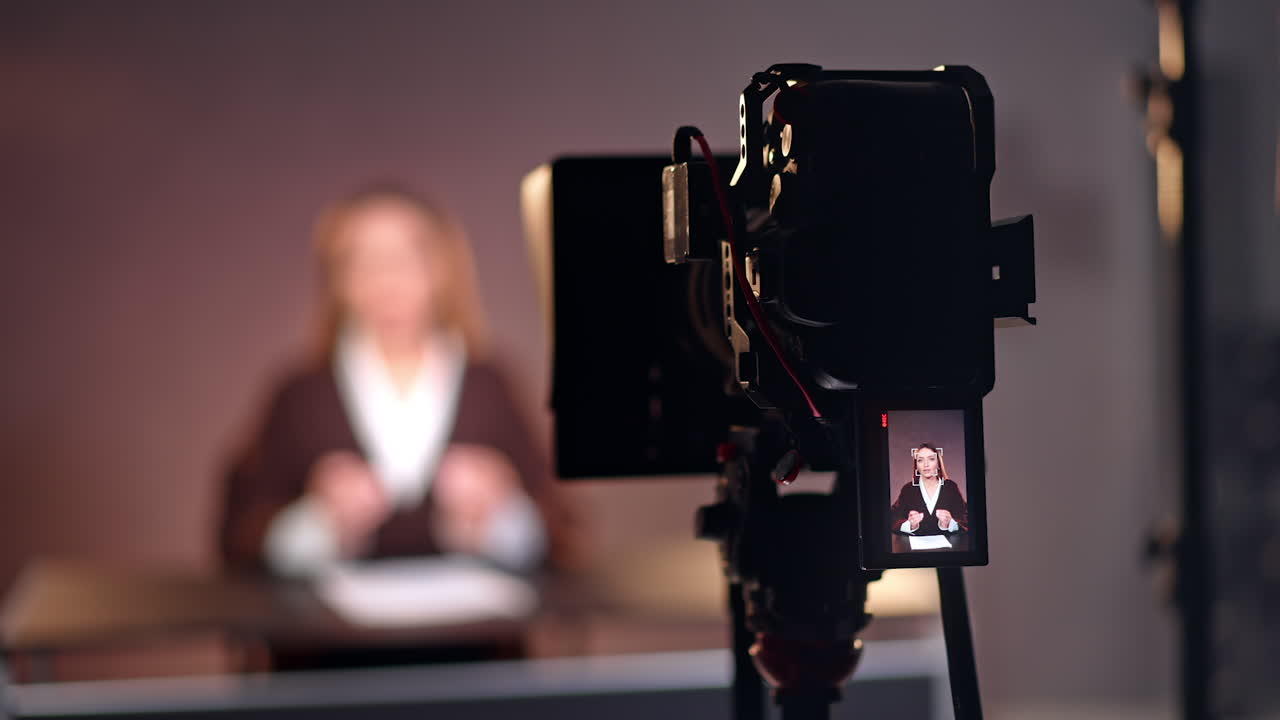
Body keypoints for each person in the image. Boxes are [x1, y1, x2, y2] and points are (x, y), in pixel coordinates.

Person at [219, 184, 574, 579]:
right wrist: (317, 521)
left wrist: (502, 510)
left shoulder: (490, 385)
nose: (387, 279)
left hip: (472, 633)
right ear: (337, 279)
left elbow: (559, 538)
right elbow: (240, 541)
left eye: (406, 258)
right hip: (335, 636)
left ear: (441, 267)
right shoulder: (300, 394)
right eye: (363, 261)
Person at [890, 443, 967, 536]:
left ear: (938, 463)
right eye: (920, 460)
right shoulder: (908, 489)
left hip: (947, 547)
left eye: (931, 459)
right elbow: (893, 518)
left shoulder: (950, 487)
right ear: (916, 466)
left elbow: (965, 517)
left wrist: (950, 523)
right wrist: (910, 525)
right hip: (915, 548)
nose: (926, 464)